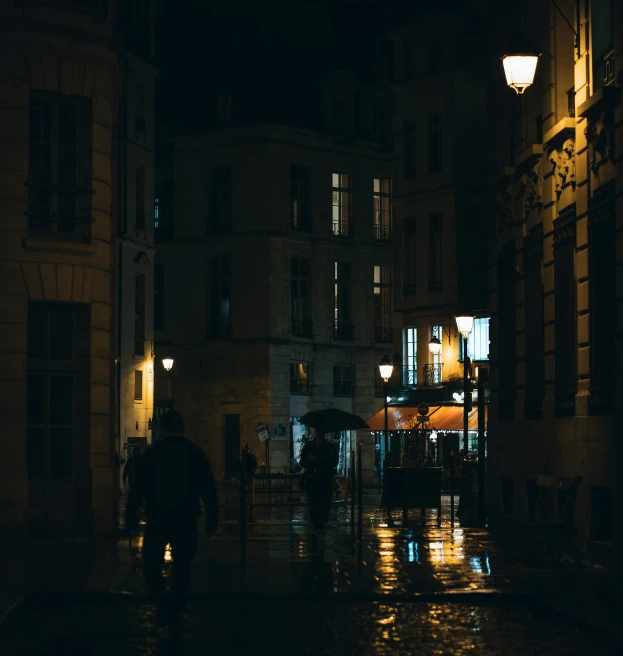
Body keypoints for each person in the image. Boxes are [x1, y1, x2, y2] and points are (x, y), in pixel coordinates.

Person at [125, 410, 218, 622]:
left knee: (152, 561)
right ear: (182, 428)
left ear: (163, 428)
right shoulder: (193, 453)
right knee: (183, 563)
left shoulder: (153, 453)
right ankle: (177, 603)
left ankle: (159, 597)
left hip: (158, 516)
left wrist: (131, 518)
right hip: (185, 517)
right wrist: (212, 519)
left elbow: (138, 488)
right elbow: (208, 488)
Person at [299, 426, 338, 544]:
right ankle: (317, 526)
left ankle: (319, 526)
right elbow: (303, 462)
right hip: (314, 481)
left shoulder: (329, 448)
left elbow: (334, 463)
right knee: (315, 504)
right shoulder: (310, 447)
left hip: (324, 480)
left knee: (323, 504)